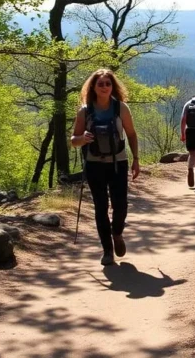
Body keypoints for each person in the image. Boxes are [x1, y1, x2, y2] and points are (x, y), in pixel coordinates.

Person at [70, 69, 141, 266]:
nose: (104, 87)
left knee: (121, 206)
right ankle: (107, 250)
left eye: (107, 83)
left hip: (118, 163)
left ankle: (116, 232)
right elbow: (73, 140)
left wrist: (136, 159)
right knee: (100, 207)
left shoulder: (121, 108)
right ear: (93, 86)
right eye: (100, 84)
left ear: (112, 86)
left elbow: (132, 134)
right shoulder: (85, 111)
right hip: (94, 165)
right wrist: (82, 139)